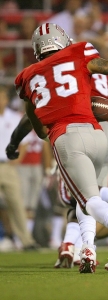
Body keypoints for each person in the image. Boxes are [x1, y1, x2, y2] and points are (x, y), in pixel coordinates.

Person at [13, 22, 108, 273]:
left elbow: (38, 127)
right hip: (97, 131)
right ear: (63, 40)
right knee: (85, 196)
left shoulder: (27, 75)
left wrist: (35, 134)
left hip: (66, 136)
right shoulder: (79, 52)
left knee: (88, 199)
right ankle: (88, 250)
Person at [0, 85, 38, 251]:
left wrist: (18, 159)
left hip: (8, 167)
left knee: (17, 204)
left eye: (1, 97)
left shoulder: (15, 117)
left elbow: (26, 140)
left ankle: (26, 241)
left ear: (7, 99)